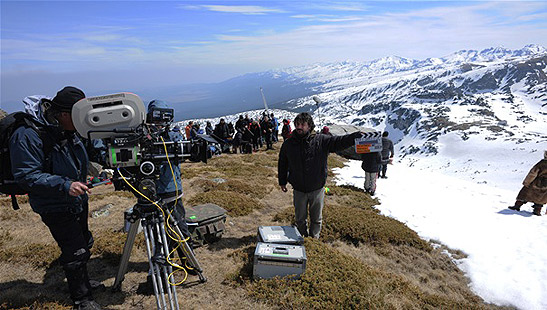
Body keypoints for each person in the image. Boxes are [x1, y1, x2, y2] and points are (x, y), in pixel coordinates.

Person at [10, 86, 102, 309]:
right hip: (54, 203)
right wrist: (65, 184)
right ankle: (82, 299)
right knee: (75, 250)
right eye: (78, 116)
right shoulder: (28, 134)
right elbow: (26, 175)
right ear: (62, 114)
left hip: (76, 198)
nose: (83, 122)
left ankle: (83, 281)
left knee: (84, 241)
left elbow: (87, 152)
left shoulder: (68, 128)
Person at [278, 112, 363, 238]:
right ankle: (302, 240)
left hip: (317, 188)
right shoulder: (288, 144)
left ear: (310, 126)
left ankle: (314, 241)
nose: (299, 127)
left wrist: (353, 137)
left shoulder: (321, 140)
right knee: (300, 219)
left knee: (316, 219)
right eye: (297, 124)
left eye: (302, 124)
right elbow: (282, 163)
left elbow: (338, 142)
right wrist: (282, 181)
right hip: (299, 189)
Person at [509, 150, 547, 216]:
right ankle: (537, 211)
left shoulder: (542, 163)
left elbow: (533, 173)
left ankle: (517, 206)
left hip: (536, 182)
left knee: (524, 193)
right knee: (541, 198)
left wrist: (527, 182)